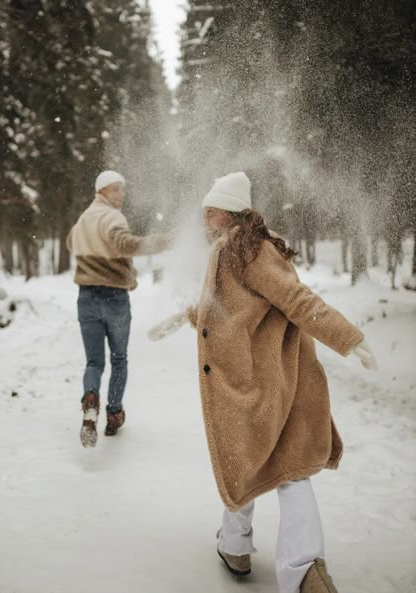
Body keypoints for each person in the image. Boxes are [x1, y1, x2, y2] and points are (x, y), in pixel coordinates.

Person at [186, 172, 377, 593]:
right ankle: (237, 546)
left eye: (211, 212)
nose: (205, 220)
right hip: (251, 376)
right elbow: (229, 308)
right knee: (246, 458)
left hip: (267, 379)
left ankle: (305, 570)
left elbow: (297, 299)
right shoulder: (231, 248)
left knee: (286, 470)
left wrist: (349, 337)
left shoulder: (252, 251)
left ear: (230, 212)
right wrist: (188, 315)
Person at [67, 170, 171, 447]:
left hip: (86, 298)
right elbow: (126, 243)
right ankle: (113, 414)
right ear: (101, 191)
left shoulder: (84, 219)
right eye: (116, 190)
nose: (121, 196)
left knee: (93, 362)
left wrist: (93, 246)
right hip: (114, 299)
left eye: (122, 190)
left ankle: (91, 399)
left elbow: (70, 242)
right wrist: (165, 240)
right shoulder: (112, 217)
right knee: (119, 359)